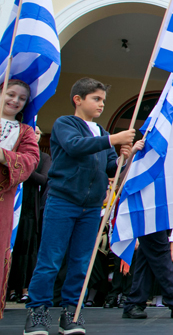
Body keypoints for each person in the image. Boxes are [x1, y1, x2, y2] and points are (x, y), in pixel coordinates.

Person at [24, 78, 137, 335]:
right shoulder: (66, 124)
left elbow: (110, 167)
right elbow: (75, 147)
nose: (101, 104)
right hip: (63, 201)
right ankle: (37, 311)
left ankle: (71, 312)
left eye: (103, 101)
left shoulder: (102, 133)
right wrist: (114, 140)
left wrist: (124, 157)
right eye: (96, 99)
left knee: (80, 263)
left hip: (91, 207)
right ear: (78, 99)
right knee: (50, 259)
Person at [0, 81, 41, 319]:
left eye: (22, 98)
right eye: (11, 94)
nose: (15, 101)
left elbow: (30, 160)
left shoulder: (24, 131)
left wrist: (4, 156)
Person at [8, 125, 51, 305]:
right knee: (11, 249)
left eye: (39, 133)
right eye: (33, 131)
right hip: (10, 206)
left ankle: (25, 288)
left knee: (27, 250)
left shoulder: (44, 157)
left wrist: (25, 167)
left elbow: (43, 179)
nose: (35, 134)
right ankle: (9, 288)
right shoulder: (13, 153)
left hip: (29, 209)